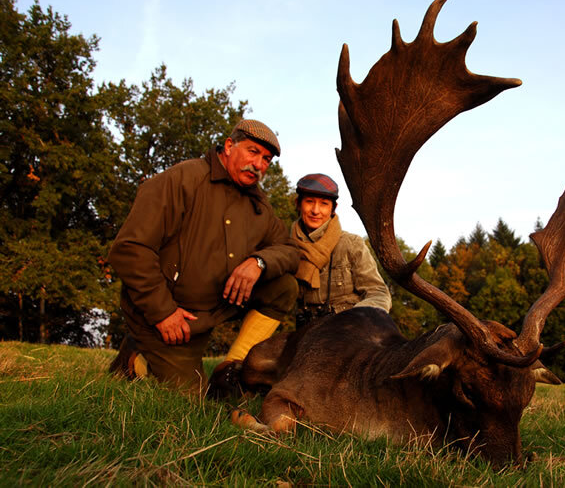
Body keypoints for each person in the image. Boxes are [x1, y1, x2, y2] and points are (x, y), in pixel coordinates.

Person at [108, 119, 300, 392]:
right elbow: (130, 248)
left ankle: (232, 369)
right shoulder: (183, 178)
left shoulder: (259, 203)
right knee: (190, 399)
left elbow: (290, 251)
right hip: (170, 316)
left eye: (266, 159)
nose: (258, 165)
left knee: (283, 287)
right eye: (252, 152)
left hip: (213, 308)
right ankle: (136, 356)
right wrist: (163, 312)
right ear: (229, 145)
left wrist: (258, 262)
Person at [292, 173, 391, 328]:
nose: (316, 210)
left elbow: (378, 293)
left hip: (347, 332)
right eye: (309, 202)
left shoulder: (351, 244)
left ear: (333, 208)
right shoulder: (286, 246)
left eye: (324, 204)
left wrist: (354, 320)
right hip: (304, 334)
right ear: (298, 204)